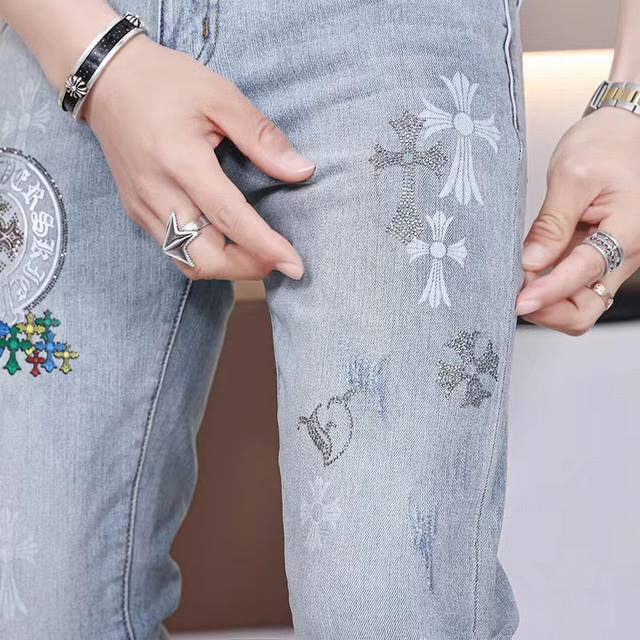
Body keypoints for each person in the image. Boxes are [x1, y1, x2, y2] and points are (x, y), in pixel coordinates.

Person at [0, 1, 637, 638]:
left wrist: (633, 99)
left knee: (390, 610)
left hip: (392, 42)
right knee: (44, 607)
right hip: (73, 32)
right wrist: (100, 62)